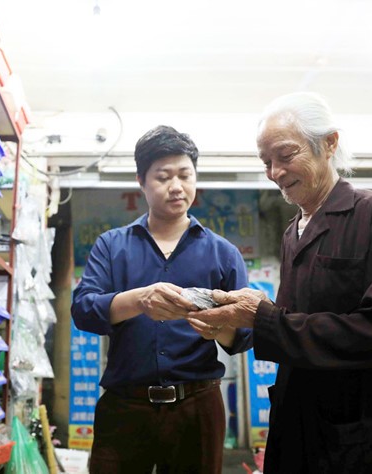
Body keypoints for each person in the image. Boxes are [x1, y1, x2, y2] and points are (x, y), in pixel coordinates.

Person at [192, 92, 372, 473]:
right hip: (305, 430)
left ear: (329, 143)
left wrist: (264, 318)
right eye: (266, 162)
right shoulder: (292, 234)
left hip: (367, 433)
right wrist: (230, 324)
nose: (275, 172)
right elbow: (295, 326)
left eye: (285, 155)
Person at [71, 125, 253, 474]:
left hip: (197, 406)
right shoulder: (112, 245)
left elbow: (244, 336)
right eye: (163, 176)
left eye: (185, 175)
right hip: (125, 407)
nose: (176, 186)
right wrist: (139, 300)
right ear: (141, 181)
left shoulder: (224, 253)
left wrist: (216, 328)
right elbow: (83, 310)